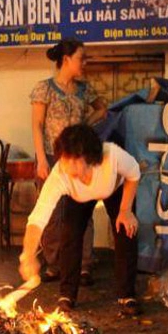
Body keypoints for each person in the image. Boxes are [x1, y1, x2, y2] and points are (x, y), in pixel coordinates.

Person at [19, 124, 141, 316]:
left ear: (90, 158)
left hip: (115, 189)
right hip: (78, 198)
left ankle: (127, 294)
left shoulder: (112, 155)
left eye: (76, 160)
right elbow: (38, 216)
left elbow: (134, 173)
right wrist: (27, 254)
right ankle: (67, 294)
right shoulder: (60, 174)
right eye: (65, 160)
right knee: (70, 235)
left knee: (126, 230)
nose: (70, 166)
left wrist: (126, 210)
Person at [30, 38, 107, 285]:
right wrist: (42, 160)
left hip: (79, 159)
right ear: (66, 60)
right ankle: (54, 264)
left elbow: (103, 110)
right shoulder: (45, 89)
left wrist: (86, 125)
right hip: (53, 157)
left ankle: (83, 265)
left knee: (83, 211)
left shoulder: (85, 90)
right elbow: (37, 125)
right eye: (80, 58)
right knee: (54, 211)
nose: (84, 63)